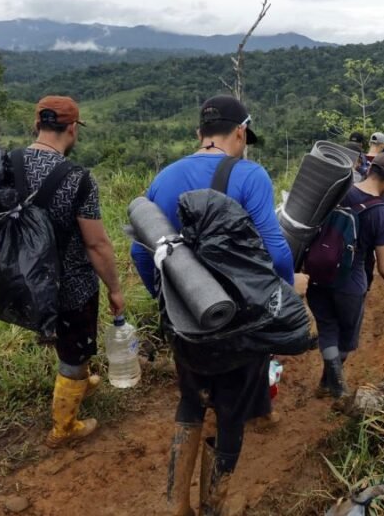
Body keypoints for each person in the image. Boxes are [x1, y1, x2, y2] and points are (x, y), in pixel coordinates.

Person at [130, 95, 294, 516]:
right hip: (241, 321)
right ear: (240, 131)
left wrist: (171, 299)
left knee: (191, 401)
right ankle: (213, 508)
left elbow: (142, 251)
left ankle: (175, 503)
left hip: (185, 319)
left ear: (199, 133)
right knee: (231, 413)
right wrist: (283, 300)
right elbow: (276, 253)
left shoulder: (165, 177)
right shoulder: (249, 175)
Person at [25, 96, 125, 448]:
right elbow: (96, 245)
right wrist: (114, 288)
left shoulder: (9, 164)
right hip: (70, 285)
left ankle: (79, 376)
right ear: (72, 128)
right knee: (73, 350)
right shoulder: (77, 179)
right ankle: (64, 427)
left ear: (37, 125)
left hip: (24, 281)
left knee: (71, 343)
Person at [306, 152, 384, 402]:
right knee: (346, 340)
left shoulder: (340, 191)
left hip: (318, 274)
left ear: (371, 169)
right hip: (351, 283)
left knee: (327, 327)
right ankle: (336, 387)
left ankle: (327, 383)